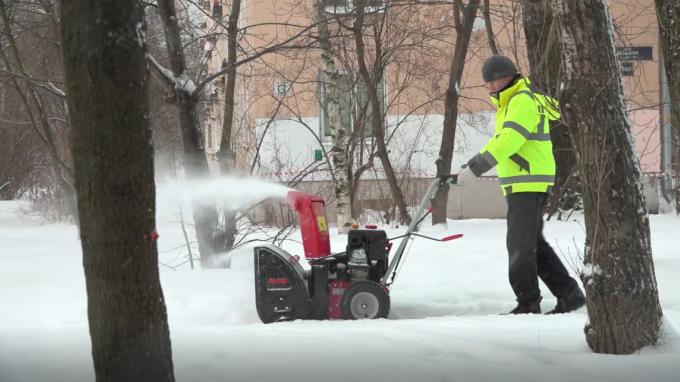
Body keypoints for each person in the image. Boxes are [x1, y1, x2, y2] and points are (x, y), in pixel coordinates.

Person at [457, 55, 586, 314]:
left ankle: (528, 304)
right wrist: (472, 164)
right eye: (486, 84)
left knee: (520, 246)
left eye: (492, 81)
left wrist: (477, 167)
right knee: (532, 244)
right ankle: (568, 294)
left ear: (506, 77)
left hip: (528, 182)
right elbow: (505, 140)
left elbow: (509, 141)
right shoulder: (513, 102)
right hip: (525, 181)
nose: (490, 87)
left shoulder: (521, 101)